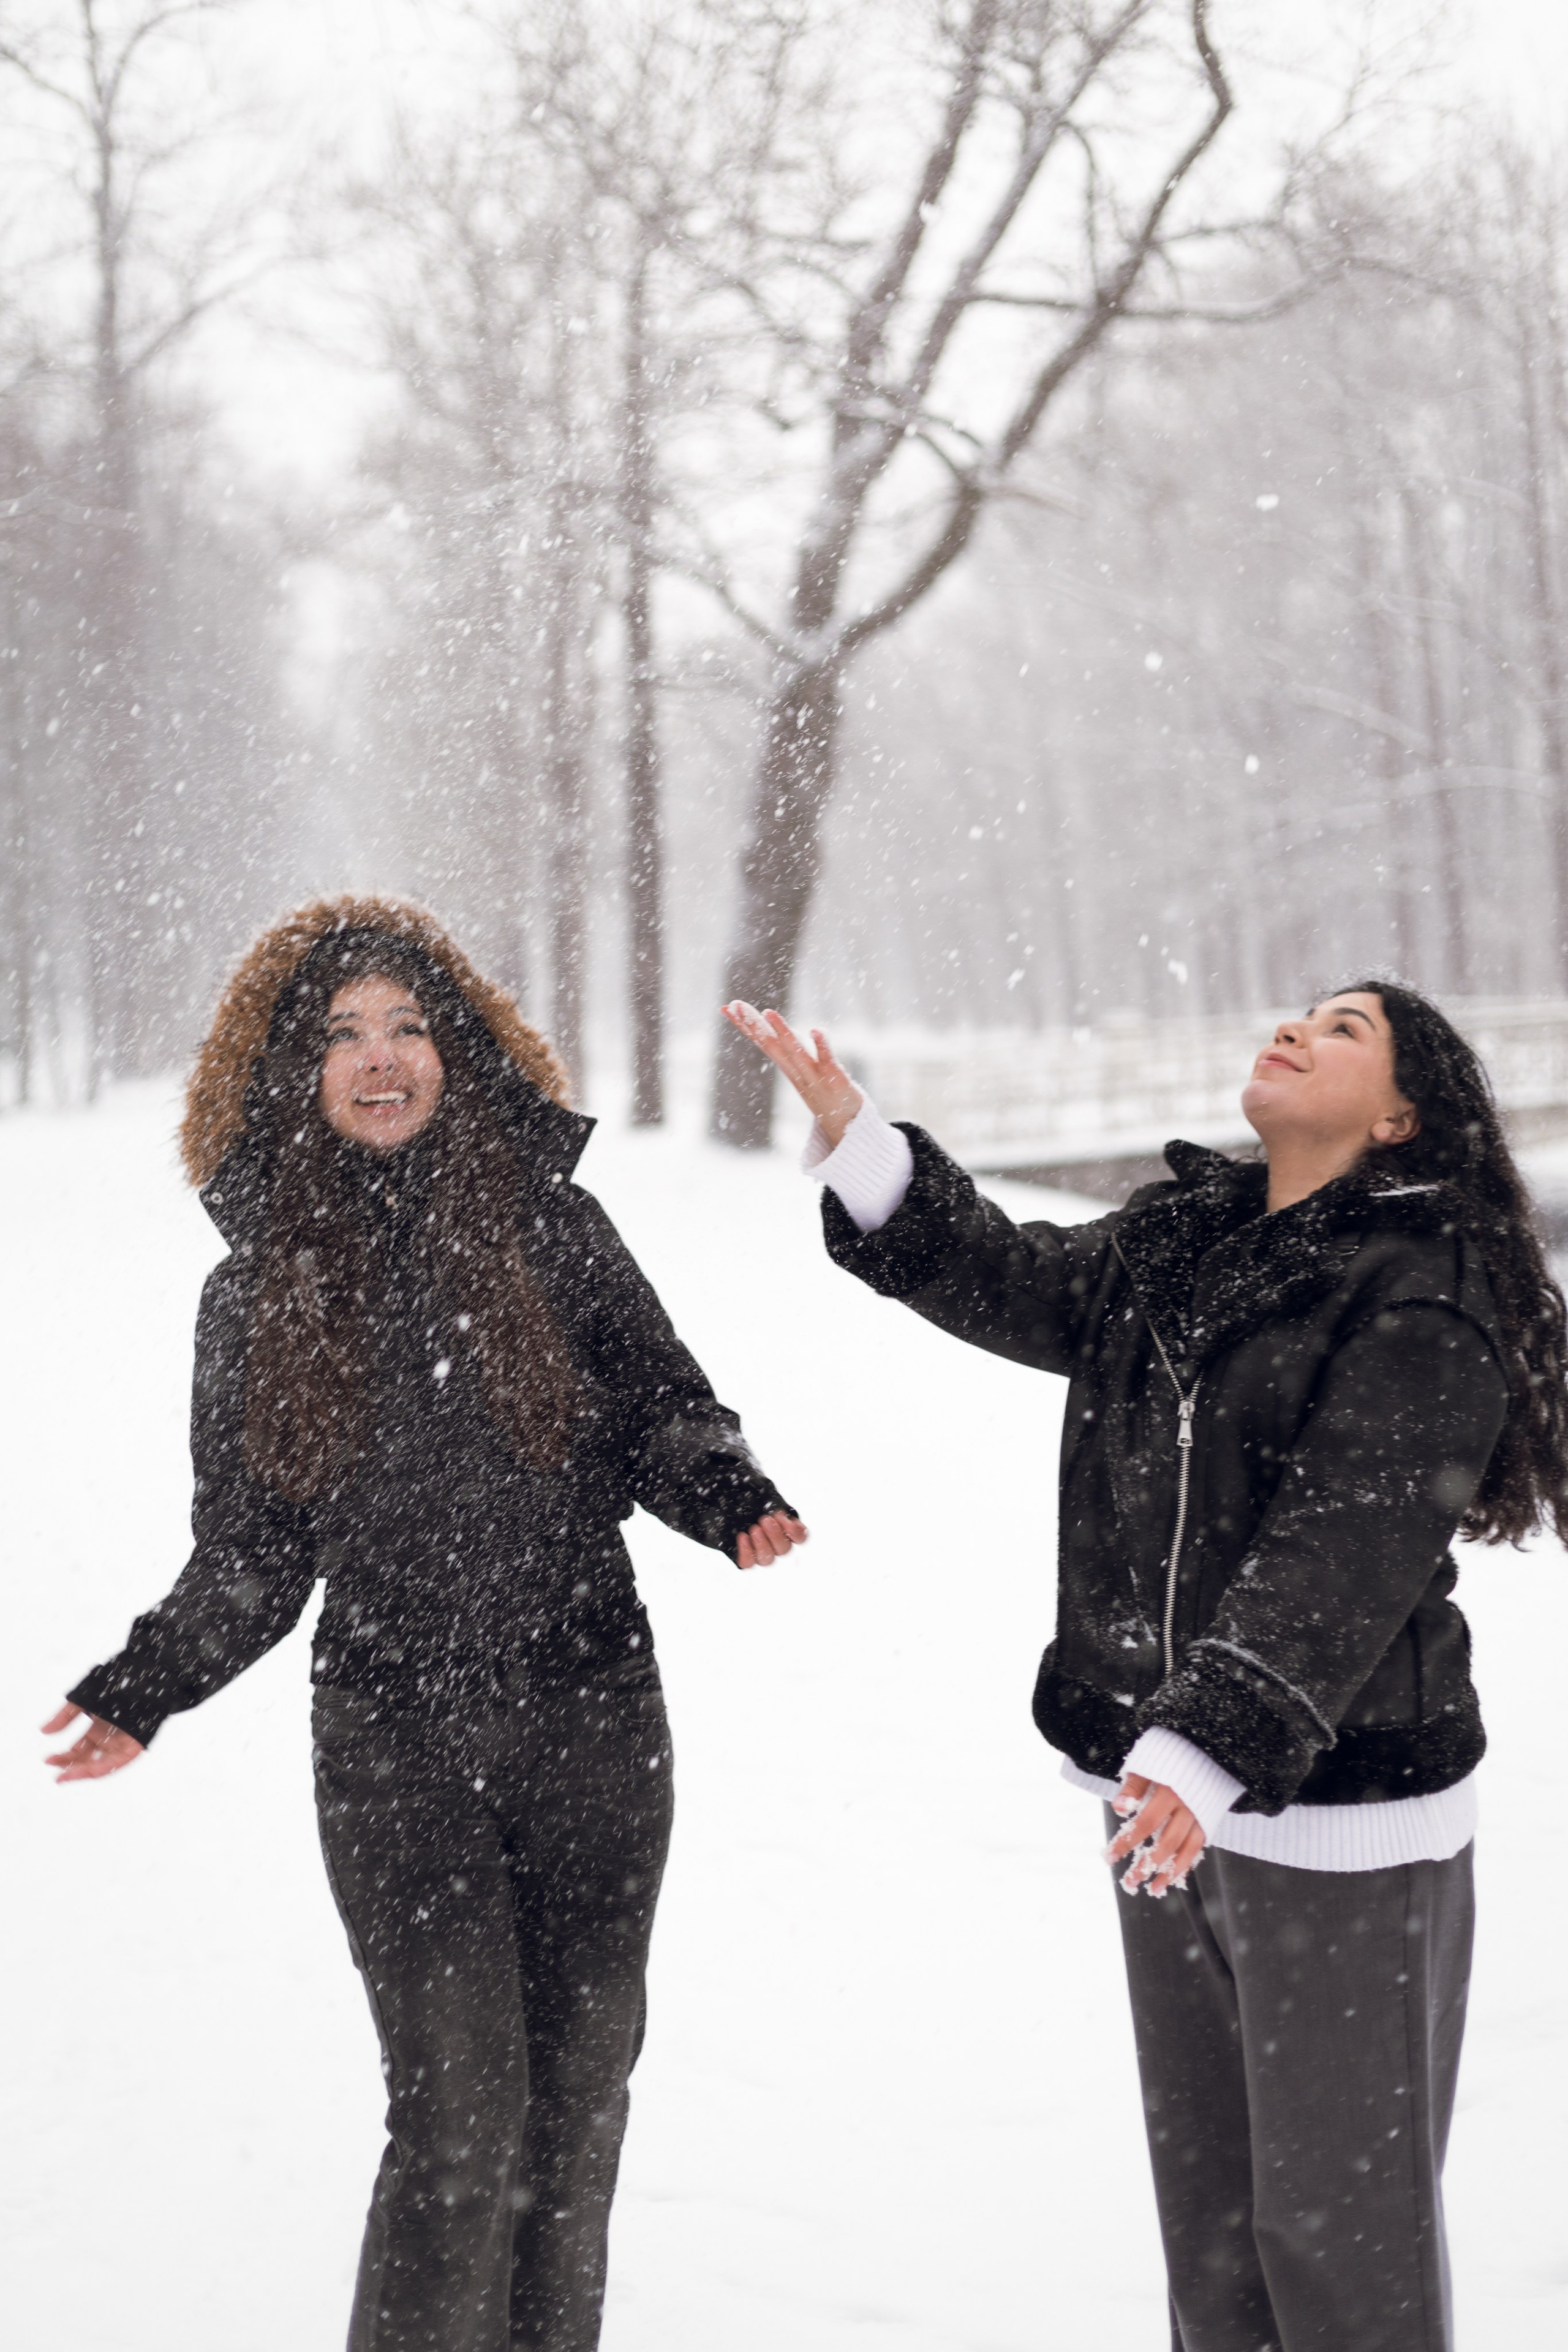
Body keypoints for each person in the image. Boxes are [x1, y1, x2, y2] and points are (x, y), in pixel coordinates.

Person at [723, 981, 1567, 2352]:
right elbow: (1007, 1276)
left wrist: (1202, 1742)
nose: (1295, 1028)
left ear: (1404, 1114)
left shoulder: (1424, 1274)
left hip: (1338, 1814)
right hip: (1161, 1796)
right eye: (1298, 1012)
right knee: (1217, 2240)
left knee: (1338, 2249)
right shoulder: (1184, 1242)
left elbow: (1346, 1537)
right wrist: (857, 1139)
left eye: (1344, 1029)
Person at [42, 895, 806, 2352]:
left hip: (594, 1718)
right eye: (340, 1037)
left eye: (405, 1027)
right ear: (290, 1072)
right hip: (395, 1744)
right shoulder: (256, 1287)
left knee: (577, 2119)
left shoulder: (556, 1228)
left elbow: (660, 1404)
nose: (378, 1059)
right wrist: (148, 1682)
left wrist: (720, 1490)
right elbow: (255, 1549)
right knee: (461, 2121)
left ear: (456, 1046)